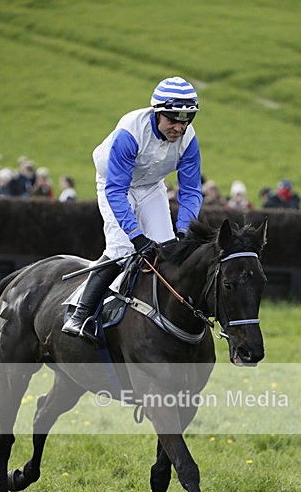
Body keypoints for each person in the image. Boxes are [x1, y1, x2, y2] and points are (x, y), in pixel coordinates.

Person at [63, 75, 202, 338]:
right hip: (115, 185)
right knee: (122, 248)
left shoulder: (189, 139)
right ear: (157, 113)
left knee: (168, 247)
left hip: (151, 186)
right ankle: (80, 313)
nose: (179, 127)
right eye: (173, 119)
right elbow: (116, 190)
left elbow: (192, 190)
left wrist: (184, 229)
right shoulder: (130, 131)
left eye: (186, 119)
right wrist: (137, 236)